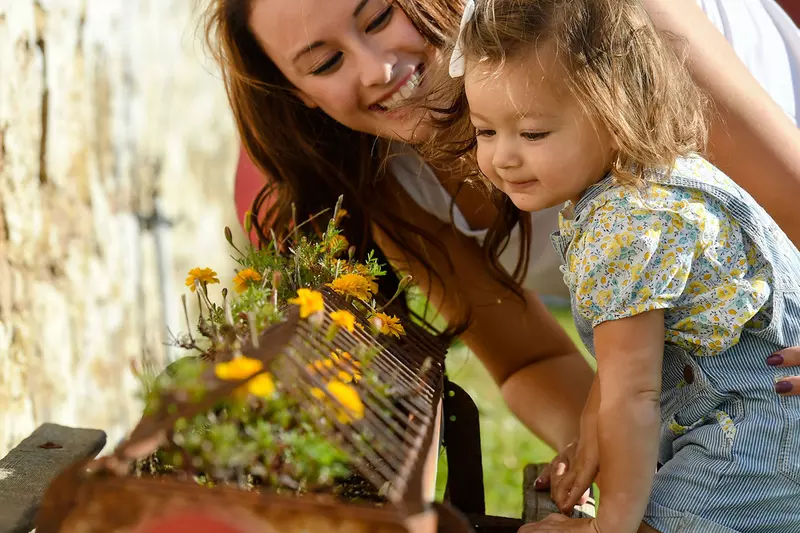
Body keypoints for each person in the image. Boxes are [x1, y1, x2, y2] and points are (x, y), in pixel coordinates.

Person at [206, 0, 800, 474]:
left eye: (380, 16)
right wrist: (619, 460)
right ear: (298, 95)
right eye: (324, 63)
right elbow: (527, 358)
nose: (376, 69)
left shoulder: (612, 19)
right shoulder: (379, 178)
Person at [436, 0, 800, 531]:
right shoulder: (642, 175)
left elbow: (634, 396)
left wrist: (611, 527)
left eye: (533, 133)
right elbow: (624, 360)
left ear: (617, 110)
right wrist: (591, 438)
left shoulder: (626, 224)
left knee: (661, 521)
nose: (503, 157)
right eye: (486, 131)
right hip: (741, 412)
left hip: (763, 433)